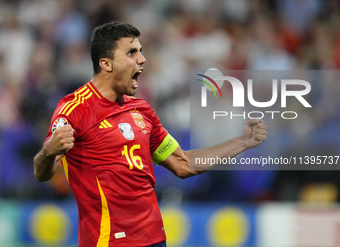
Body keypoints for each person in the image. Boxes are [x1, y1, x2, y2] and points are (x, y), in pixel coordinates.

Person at [33, 21, 268, 247]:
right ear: (106, 64)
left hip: (155, 238)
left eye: (141, 51)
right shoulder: (75, 109)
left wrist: (243, 142)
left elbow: (183, 163)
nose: (142, 59)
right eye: (131, 52)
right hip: (109, 241)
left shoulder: (141, 110)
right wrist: (48, 151)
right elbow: (43, 172)